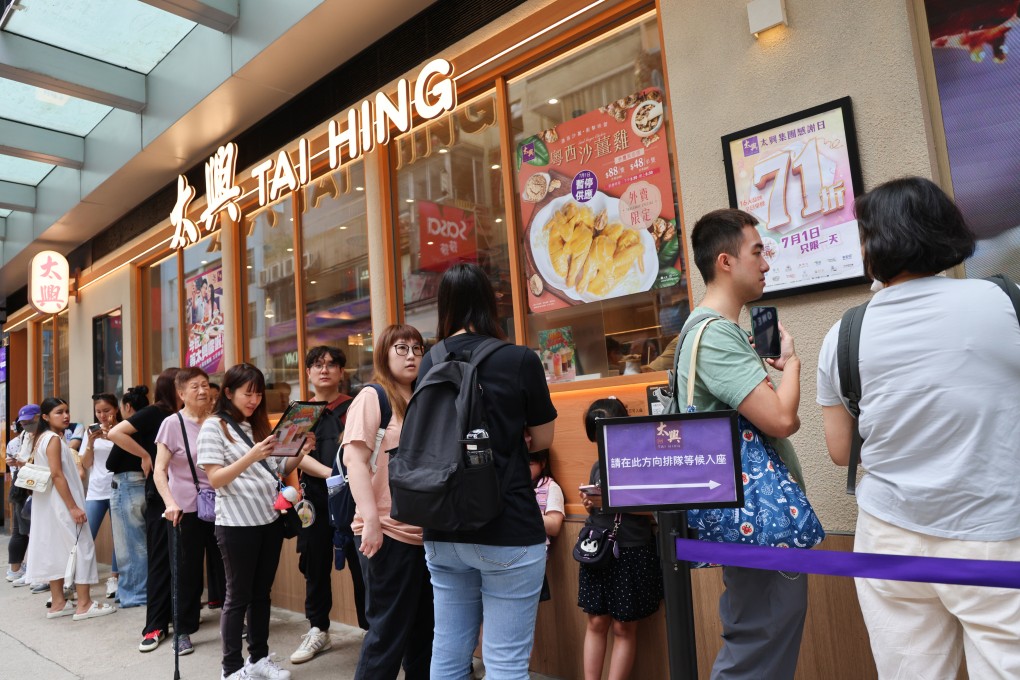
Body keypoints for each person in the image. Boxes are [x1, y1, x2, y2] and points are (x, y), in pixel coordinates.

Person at [816, 177, 1020, 679]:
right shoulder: (1006, 302)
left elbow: (842, 451)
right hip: (994, 533)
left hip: (889, 539)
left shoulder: (845, 333)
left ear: (874, 245)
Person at [675, 208, 807, 680]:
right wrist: (790, 365)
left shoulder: (708, 331)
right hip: (760, 518)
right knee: (760, 640)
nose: (766, 263)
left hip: (747, 513)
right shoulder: (715, 336)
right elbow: (781, 419)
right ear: (726, 262)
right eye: (758, 252)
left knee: (758, 636)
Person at [419, 263, 557, 680]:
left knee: (447, 652)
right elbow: (545, 437)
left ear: (445, 306)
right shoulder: (517, 358)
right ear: (490, 301)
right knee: (506, 664)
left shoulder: (430, 360)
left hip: (442, 526)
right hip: (506, 525)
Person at [198, 363, 312, 680]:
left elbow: (278, 468)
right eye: (248, 393)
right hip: (235, 524)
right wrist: (252, 456)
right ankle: (231, 668)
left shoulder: (256, 427)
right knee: (237, 597)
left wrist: (300, 452)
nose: (254, 400)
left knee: (262, 594)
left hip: (269, 520)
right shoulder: (213, 427)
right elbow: (216, 479)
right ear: (229, 392)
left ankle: (259, 659)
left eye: (258, 394)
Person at [343, 325, 433, 680]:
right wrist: (372, 521)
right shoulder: (373, 396)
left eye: (417, 348)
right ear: (384, 353)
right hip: (387, 532)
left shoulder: (424, 397)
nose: (411, 355)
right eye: (402, 348)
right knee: (387, 635)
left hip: (425, 533)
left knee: (424, 634)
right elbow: (355, 462)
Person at [289, 345, 367, 666]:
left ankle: (374, 629)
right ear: (307, 372)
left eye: (332, 365)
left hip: (355, 498)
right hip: (315, 501)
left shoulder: (356, 406)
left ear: (341, 373)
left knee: (364, 566)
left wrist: (343, 480)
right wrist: (333, 475)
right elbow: (288, 457)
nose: (325, 370)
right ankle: (318, 628)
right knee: (315, 565)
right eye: (318, 365)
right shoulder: (299, 411)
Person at [577, 398, 663, 680]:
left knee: (624, 627)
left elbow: (655, 508)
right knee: (596, 621)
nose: (601, 443)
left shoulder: (643, 462)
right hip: (598, 546)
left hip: (631, 549)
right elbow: (600, 504)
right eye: (596, 437)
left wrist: (613, 501)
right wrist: (591, 503)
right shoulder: (597, 465)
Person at [153, 366, 225, 657]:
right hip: (185, 509)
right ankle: (183, 630)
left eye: (205, 385)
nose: (202, 391)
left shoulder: (219, 422)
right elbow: (159, 471)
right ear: (181, 393)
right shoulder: (172, 424)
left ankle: (236, 620)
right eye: (194, 386)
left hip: (222, 505)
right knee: (186, 572)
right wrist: (170, 502)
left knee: (226, 566)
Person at [24, 397, 116, 620]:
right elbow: (57, 475)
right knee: (83, 545)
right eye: (59, 412)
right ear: (45, 417)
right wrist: (74, 507)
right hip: (62, 503)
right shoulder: (53, 439)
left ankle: (58, 602)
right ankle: (83, 604)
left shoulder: (41, 439)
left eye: (67, 411)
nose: (66, 416)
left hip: (48, 505)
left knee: (55, 549)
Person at [109, 369, 180, 652]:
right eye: (184, 385)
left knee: (183, 559)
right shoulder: (155, 412)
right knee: (160, 559)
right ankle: (155, 625)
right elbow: (116, 432)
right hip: (159, 496)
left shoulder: (186, 417)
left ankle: (180, 616)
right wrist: (146, 454)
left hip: (187, 495)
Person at [104, 385, 151, 609]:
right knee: (138, 542)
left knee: (130, 545)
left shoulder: (129, 430)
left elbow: (111, 463)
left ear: (128, 406)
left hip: (128, 486)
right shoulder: (150, 425)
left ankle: (136, 593)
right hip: (141, 486)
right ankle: (132, 591)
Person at [81, 394, 122, 600]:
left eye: (106, 410)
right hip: (96, 490)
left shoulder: (123, 428)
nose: (103, 415)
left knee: (119, 537)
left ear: (116, 409)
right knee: (85, 534)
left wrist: (112, 437)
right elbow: (86, 463)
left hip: (118, 488)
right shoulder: (91, 429)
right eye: (99, 411)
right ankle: (78, 578)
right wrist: (89, 443)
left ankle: (114, 579)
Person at [6, 405, 40, 586]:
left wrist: (20, 463)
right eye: (23, 422)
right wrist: (19, 462)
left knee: (25, 531)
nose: (26, 425)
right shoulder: (24, 437)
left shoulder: (45, 436)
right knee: (25, 530)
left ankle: (23, 569)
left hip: (33, 484)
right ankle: (23, 569)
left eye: (29, 421)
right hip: (24, 486)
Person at [529, 448, 563, 603]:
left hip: (532, 557)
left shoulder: (550, 487)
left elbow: (554, 526)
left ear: (543, 463)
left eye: (529, 463)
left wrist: (524, 511)